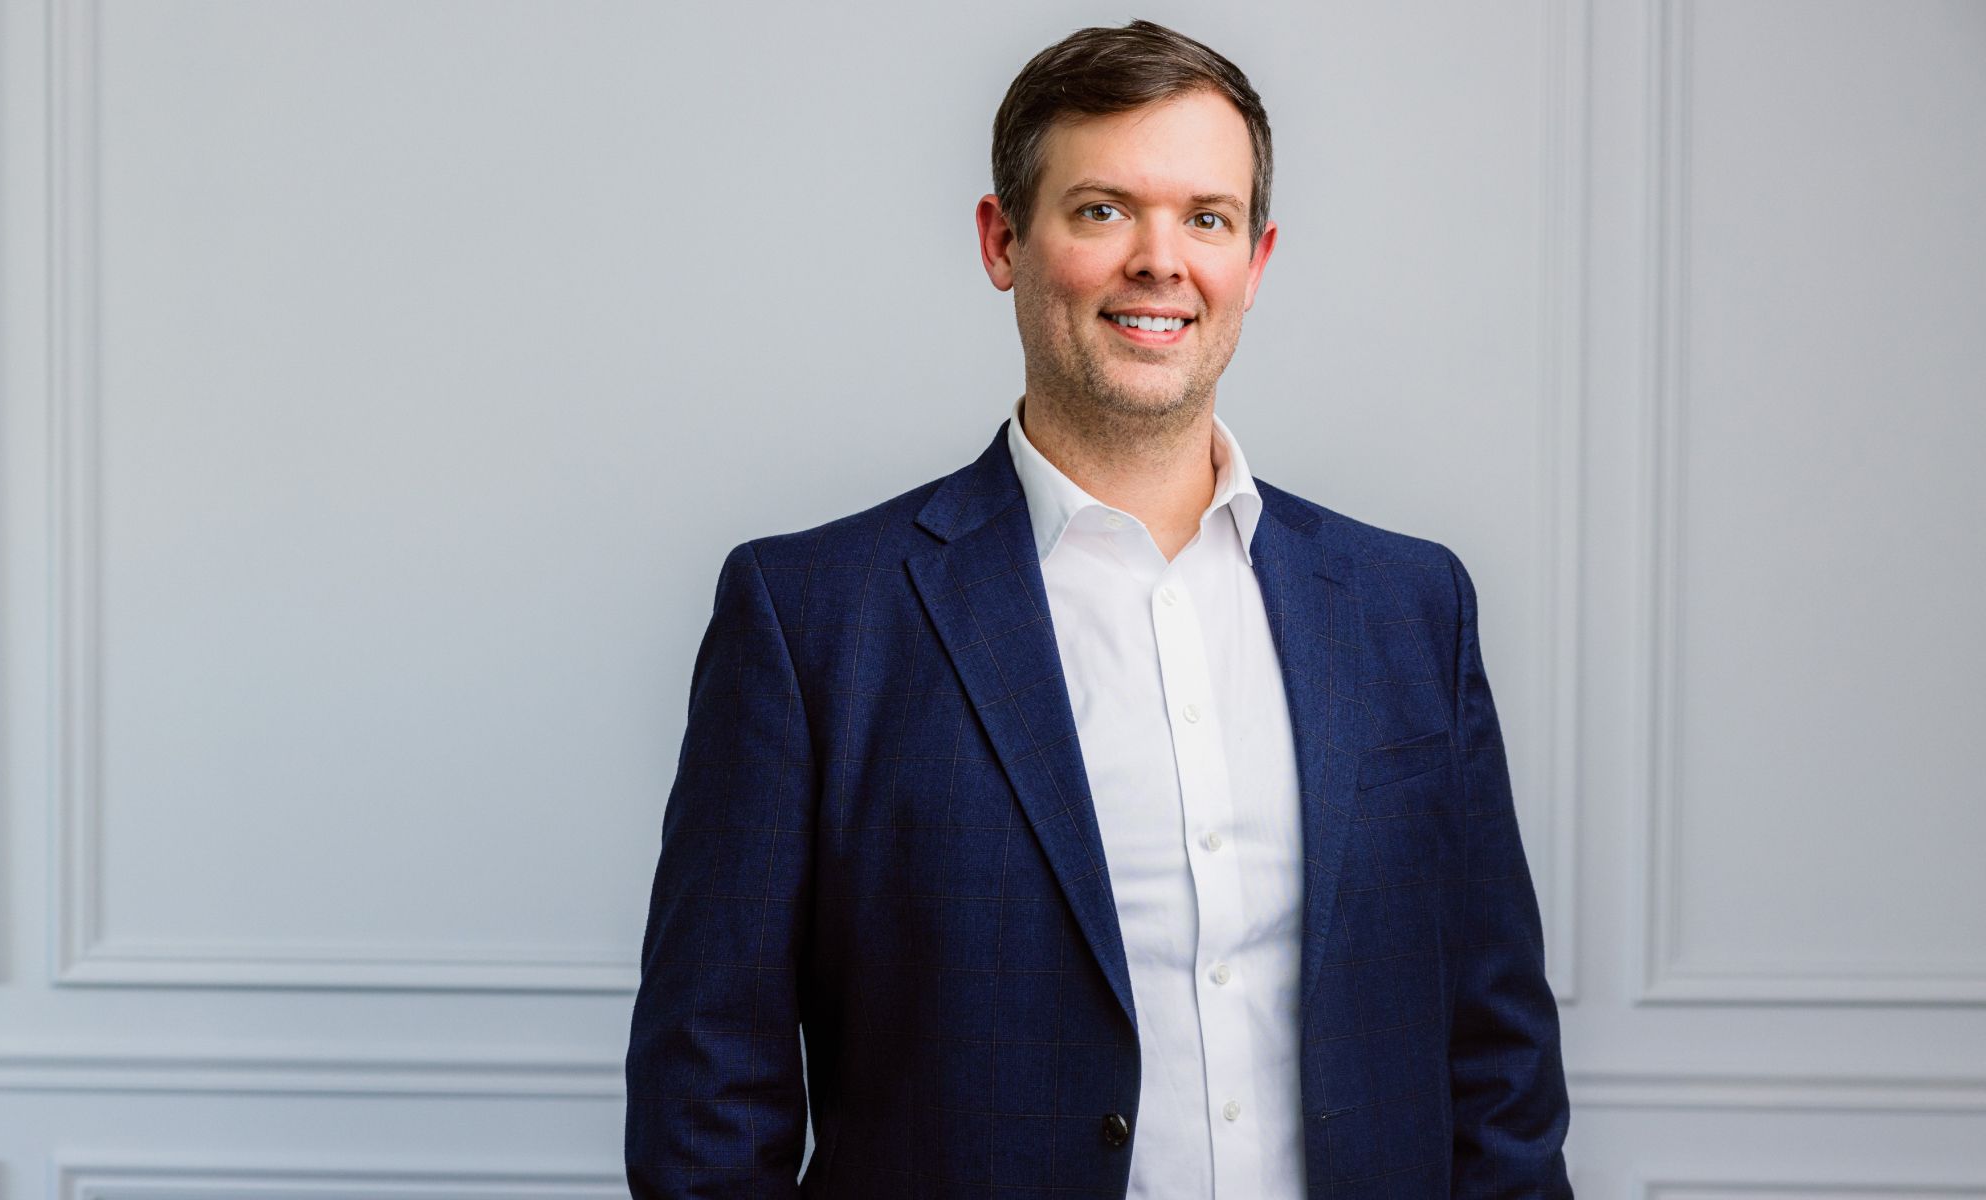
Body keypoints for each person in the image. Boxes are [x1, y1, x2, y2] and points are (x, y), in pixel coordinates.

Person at [624, 17, 1571, 1199]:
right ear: (1002, 238)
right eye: (1103, 209)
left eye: (1205, 218)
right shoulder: (812, 619)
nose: (1159, 261)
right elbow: (709, 1091)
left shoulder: (1406, 606)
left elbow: (1499, 1063)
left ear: (1255, 261)